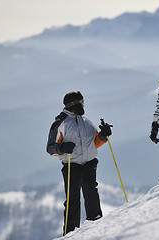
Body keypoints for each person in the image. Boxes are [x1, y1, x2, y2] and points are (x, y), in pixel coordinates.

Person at [46, 91, 112, 235]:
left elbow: (95, 143)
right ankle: (70, 233)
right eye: (82, 102)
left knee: (90, 190)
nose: (83, 105)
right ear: (74, 105)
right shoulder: (60, 123)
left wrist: (103, 135)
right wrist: (61, 148)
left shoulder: (86, 122)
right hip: (71, 165)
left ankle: (96, 222)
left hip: (89, 162)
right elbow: (50, 148)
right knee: (72, 198)